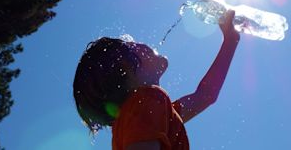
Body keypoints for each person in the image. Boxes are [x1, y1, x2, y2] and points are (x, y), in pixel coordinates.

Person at [73, 10, 240, 150]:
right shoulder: (147, 100)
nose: (139, 43)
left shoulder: (148, 114)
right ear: (127, 70)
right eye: (131, 44)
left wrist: (230, 41)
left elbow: (206, 95)